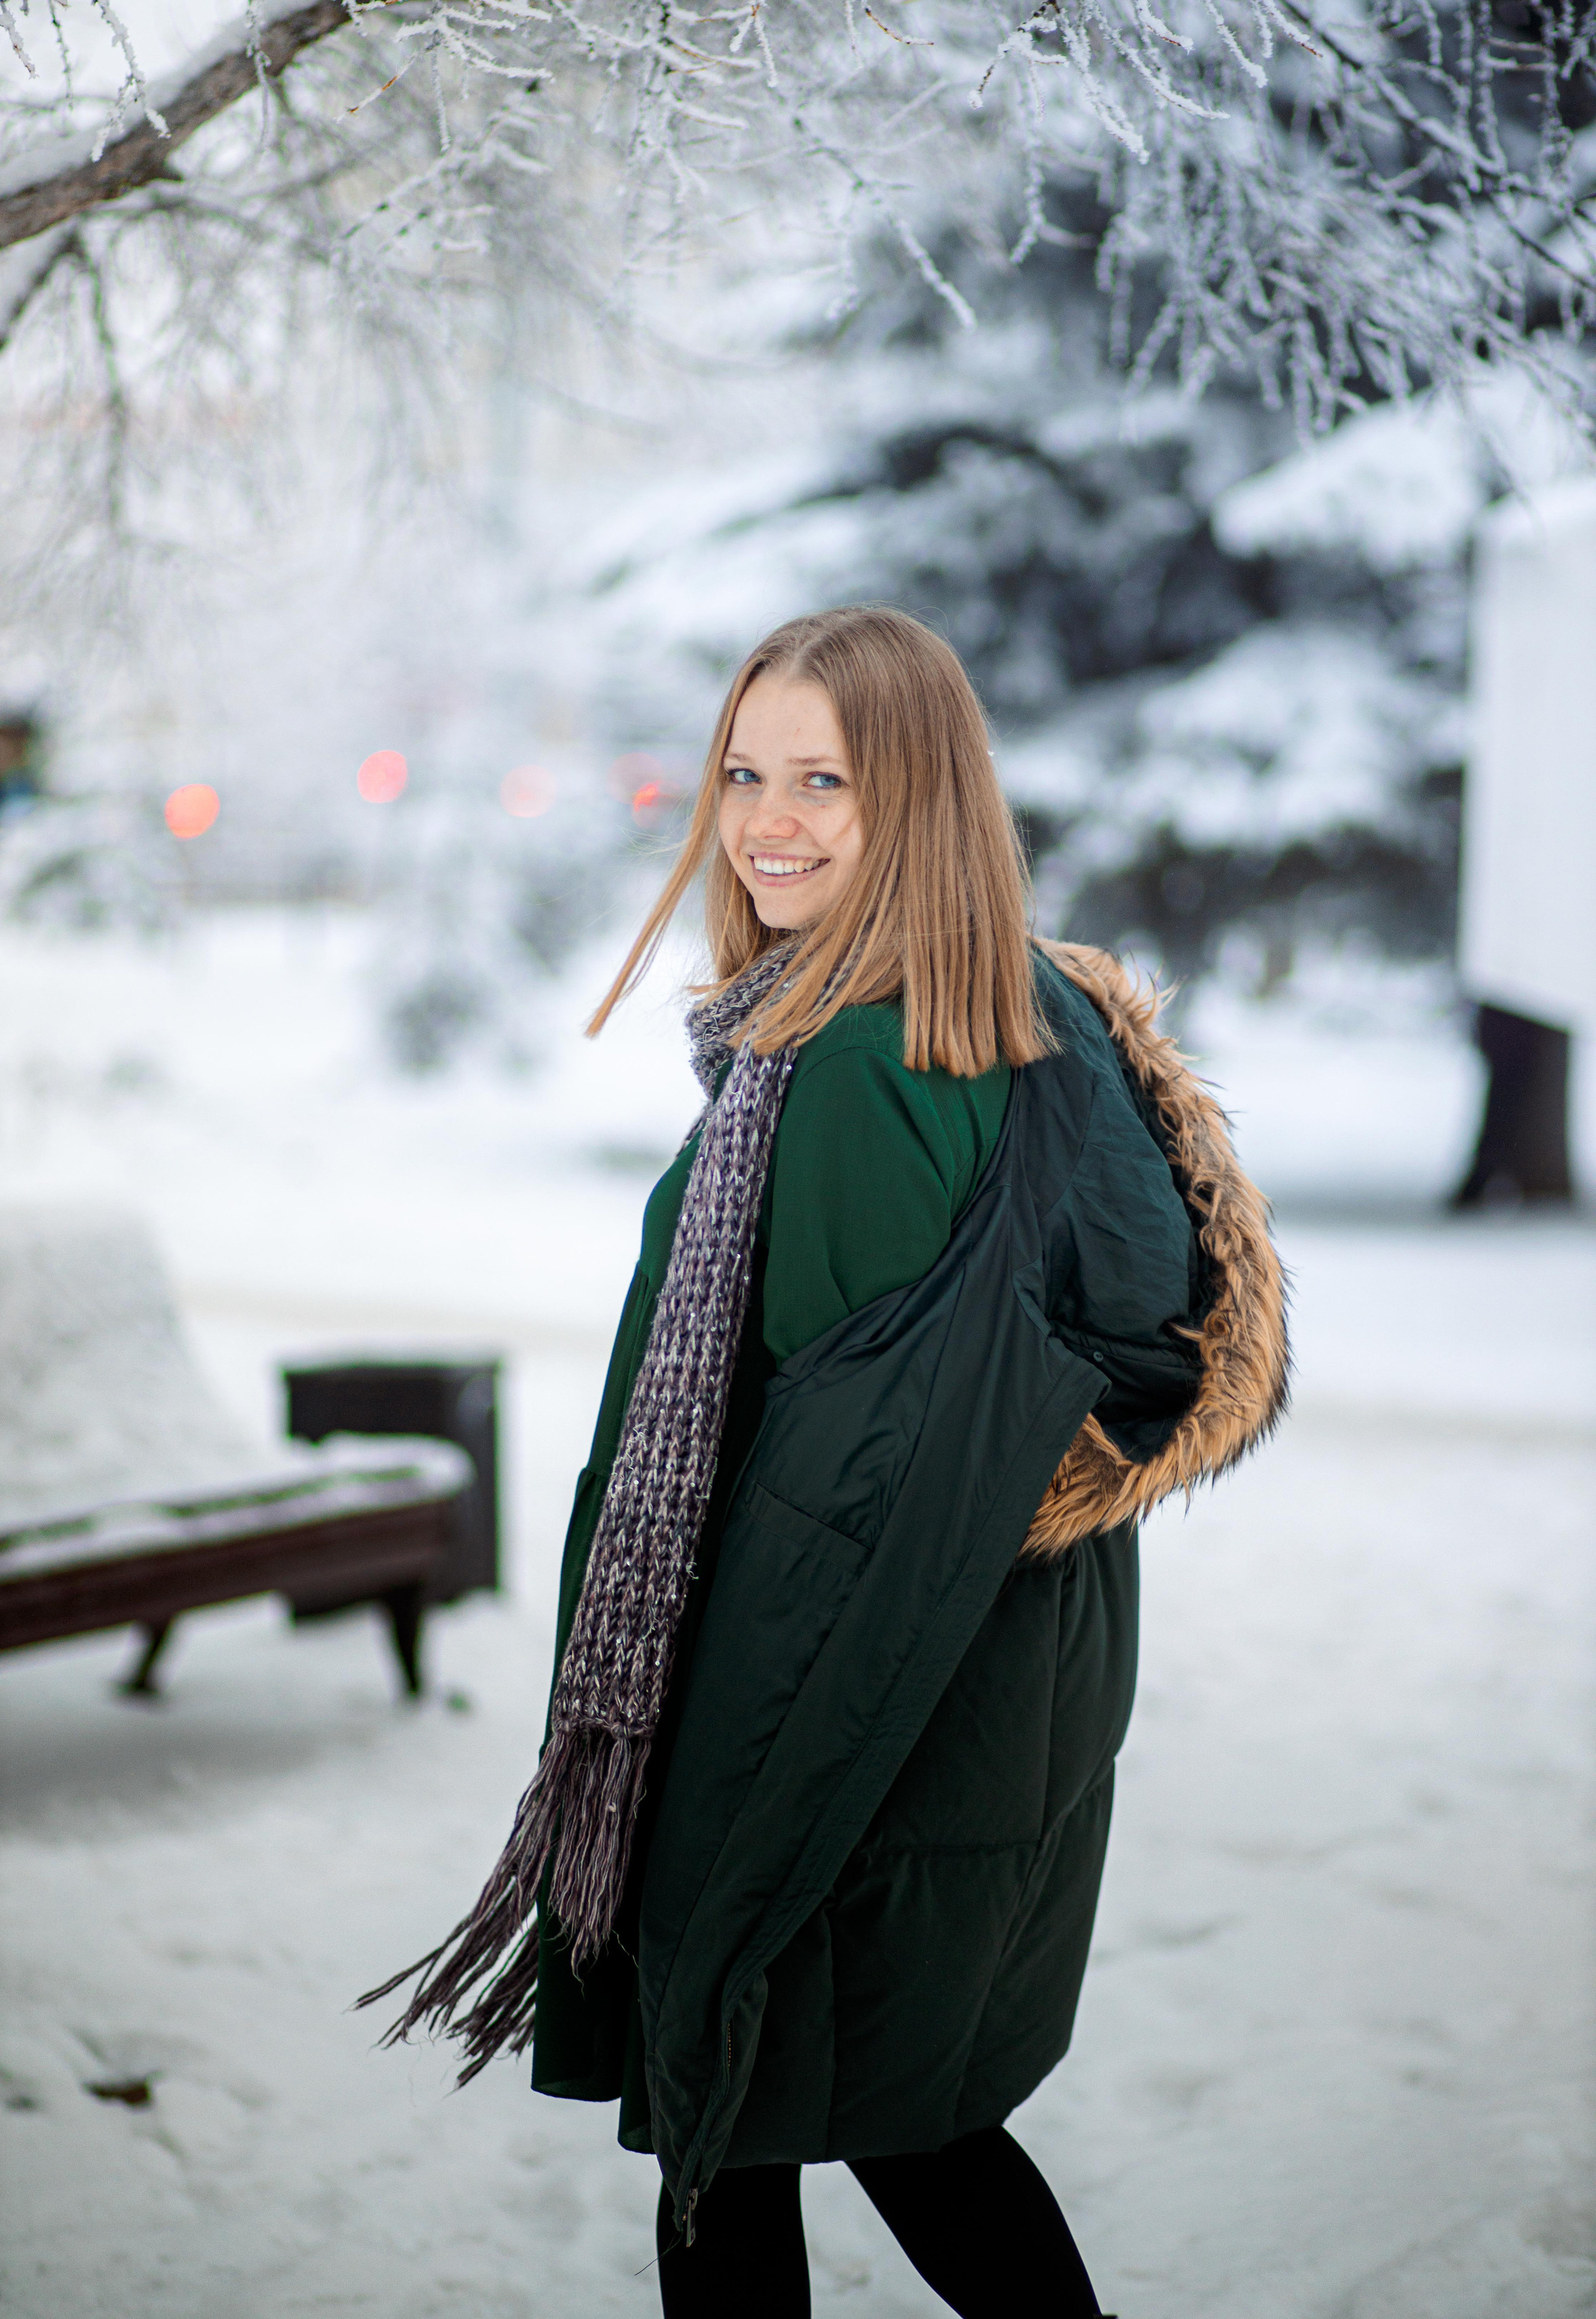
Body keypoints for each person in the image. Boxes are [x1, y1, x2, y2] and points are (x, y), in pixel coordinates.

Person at [366, 607, 1290, 2316]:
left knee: (748, 2119)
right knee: (893, 2123)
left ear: (922, 797)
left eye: (826, 782)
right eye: (744, 772)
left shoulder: (859, 1061)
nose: (767, 820)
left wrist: (720, 1809)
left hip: (863, 1709)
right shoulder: (1014, 1013)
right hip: (984, 1690)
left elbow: (835, 1501)